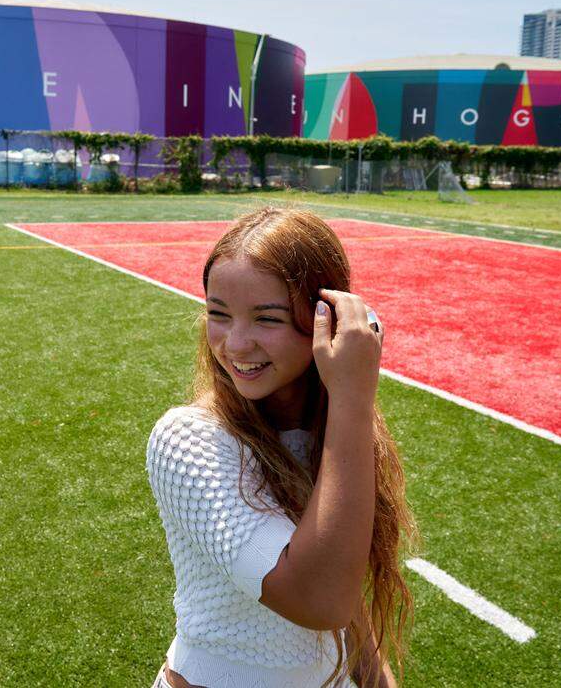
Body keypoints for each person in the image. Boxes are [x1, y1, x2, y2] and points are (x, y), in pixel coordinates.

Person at [146, 207, 418, 688]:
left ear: (324, 320)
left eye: (266, 319)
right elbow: (320, 598)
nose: (235, 344)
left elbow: (347, 599)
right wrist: (353, 399)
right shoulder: (187, 439)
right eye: (217, 314)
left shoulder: (333, 431)